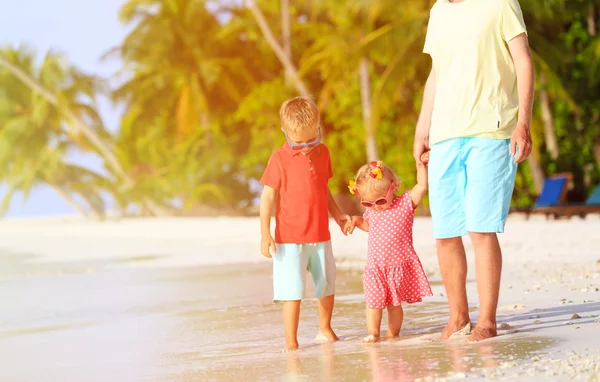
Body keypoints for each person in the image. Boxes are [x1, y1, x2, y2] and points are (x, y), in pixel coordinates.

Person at [414, 0, 534, 341]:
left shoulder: (501, 3)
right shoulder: (439, 11)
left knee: (481, 229)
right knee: (445, 232)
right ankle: (457, 318)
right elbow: (437, 72)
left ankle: (487, 322)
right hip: (445, 134)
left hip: (492, 130)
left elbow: (524, 62)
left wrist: (523, 122)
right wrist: (423, 128)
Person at [259, 96, 351, 351]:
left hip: (321, 233)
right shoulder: (278, 158)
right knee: (292, 291)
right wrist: (265, 234)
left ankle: (325, 328)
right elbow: (268, 197)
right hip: (289, 240)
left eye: (312, 139)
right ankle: (291, 341)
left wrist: (339, 216)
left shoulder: (324, 153)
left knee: (327, 284)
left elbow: (324, 189)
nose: (306, 147)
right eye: (298, 142)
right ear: (285, 132)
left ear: (319, 127)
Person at [347, 157, 433, 342]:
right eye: (368, 203)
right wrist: (356, 220)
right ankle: (373, 333)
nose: (375, 207)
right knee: (373, 303)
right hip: (375, 268)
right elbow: (367, 224)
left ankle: (392, 335)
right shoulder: (372, 211)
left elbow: (422, 186)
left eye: (379, 201)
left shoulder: (404, 204)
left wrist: (421, 165)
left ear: (393, 187)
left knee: (394, 305)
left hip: (396, 267)